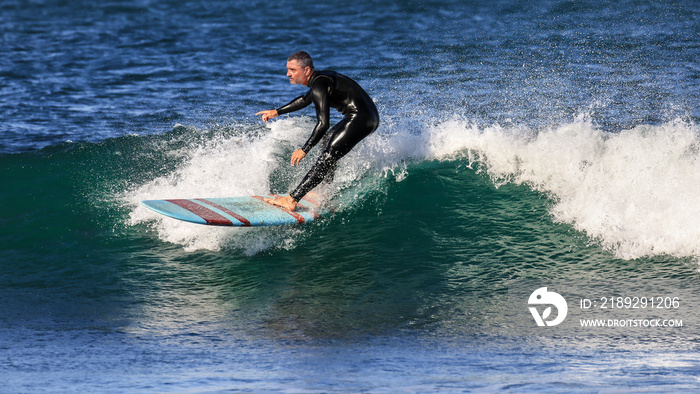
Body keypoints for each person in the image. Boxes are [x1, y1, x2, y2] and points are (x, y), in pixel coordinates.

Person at [256, 51, 380, 211]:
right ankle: (325, 191)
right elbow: (305, 99)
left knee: (327, 156)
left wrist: (304, 149)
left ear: (306, 70)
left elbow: (323, 124)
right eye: (288, 69)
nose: (288, 74)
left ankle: (292, 200)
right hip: (367, 116)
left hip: (361, 118)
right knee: (328, 141)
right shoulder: (319, 81)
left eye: (292, 70)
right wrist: (277, 112)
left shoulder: (319, 84)